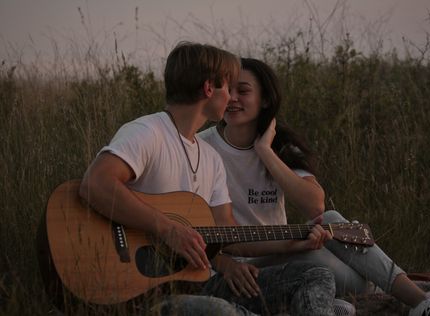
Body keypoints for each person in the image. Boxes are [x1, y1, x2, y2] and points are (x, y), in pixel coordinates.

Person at [79, 42, 336, 316]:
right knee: (219, 312)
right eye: (228, 87)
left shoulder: (210, 157)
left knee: (315, 274)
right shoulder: (147, 132)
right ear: (208, 89)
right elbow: (95, 184)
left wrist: (296, 241)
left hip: (198, 282)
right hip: (142, 288)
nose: (231, 97)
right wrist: (168, 229)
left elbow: (230, 235)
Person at [199, 57, 430, 316]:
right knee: (362, 282)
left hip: (280, 252)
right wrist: (223, 263)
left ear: (265, 100)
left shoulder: (279, 147)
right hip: (237, 263)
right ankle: (327, 296)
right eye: (226, 89)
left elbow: (315, 205)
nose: (232, 98)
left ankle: (423, 304)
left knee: (332, 224)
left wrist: (264, 151)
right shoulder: (201, 147)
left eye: (242, 91)